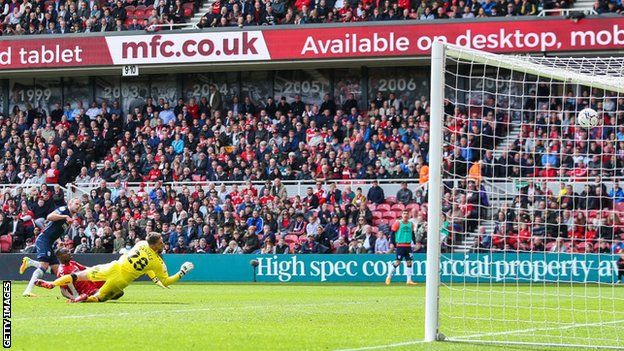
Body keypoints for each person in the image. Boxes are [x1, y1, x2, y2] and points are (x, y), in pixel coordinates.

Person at [37, 233, 194, 303]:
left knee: (79, 275)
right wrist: (182, 272)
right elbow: (165, 281)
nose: (163, 243)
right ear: (154, 245)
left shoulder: (141, 243)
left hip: (112, 267)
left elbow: (143, 258)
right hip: (121, 280)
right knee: (100, 298)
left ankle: (52, 284)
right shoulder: (158, 263)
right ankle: (84, 298)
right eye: (161, 242)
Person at [19, 198, 82, 297]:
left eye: (80, 205)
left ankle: (75, 295)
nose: (78, 206)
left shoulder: (70, 218)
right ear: (70, 203)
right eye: (77, 203)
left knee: (58, 271)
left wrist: (59, 241)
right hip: (44, 239)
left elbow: (54, 229)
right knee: (43, 266)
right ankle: (27, 291)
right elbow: (49, 216)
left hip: (50, 242)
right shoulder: (64, 210)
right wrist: (65, 216)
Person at [35, 248, 104, 300]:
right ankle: (51, 284)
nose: (69, 253)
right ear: (60, 256)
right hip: (86, 292)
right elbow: (63, 291)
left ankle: (51, 283)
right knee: (105, 294)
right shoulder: (62, 271)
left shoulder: (72, 263)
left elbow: (86, 269)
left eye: (69, 251)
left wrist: (99, 271)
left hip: (93, 284)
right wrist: (74, 298)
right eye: (66, 252)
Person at [385, 210, 417, 285]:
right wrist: (392, 243)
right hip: (400, 245)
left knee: (409, 262)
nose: (405, 215)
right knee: (397, 262)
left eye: (407, 214)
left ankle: (409, 280)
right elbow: (392, 233)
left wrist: (414, 242)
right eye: (404, 213)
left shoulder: (411, 224)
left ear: (409, 215)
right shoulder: (398, 223)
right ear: (402, 215)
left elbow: (412, 234)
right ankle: (388, 277)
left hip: (408, 246)